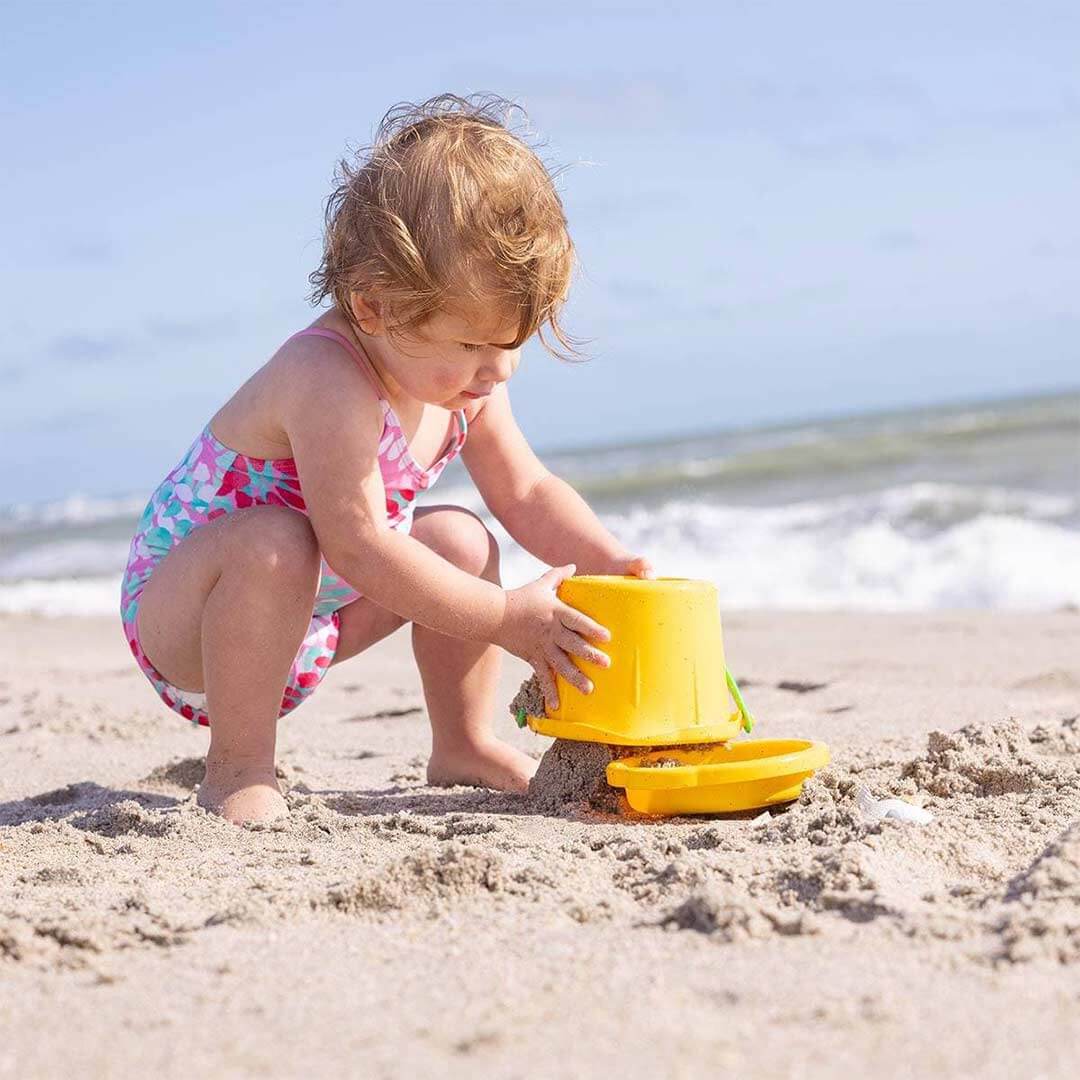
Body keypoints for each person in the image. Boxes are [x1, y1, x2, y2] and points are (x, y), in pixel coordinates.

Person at [119, 93, 654, 825]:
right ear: (373, 307)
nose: (495, 371)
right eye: (471, 343)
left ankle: (463, 742)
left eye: (511, 343)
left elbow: (525, 491)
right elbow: (360, 544)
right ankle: (239, 768)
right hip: (197, 619)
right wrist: (505, 618)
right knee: (277, 540)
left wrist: (609, 562)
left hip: (316, 619)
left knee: (461, 540)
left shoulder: (466, 384)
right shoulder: (327, 379)